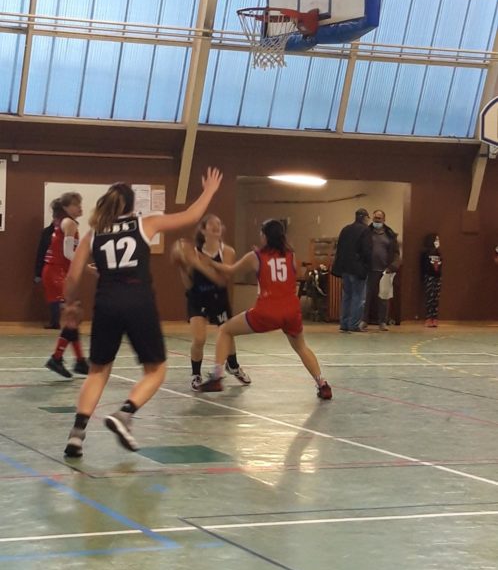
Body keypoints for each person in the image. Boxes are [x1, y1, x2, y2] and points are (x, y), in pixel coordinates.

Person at [62, 168, 222, 459]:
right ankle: (125, 414)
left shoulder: (93, 234)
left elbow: (72, 278)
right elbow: (190, 216)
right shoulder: (145, 223)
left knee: (97, 371)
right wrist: (209, 190)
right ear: (132, 205)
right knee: (156, 369)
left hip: (106, 303)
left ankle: (76, 434)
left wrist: (70, 304)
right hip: (139, 302)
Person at [195, 218, 332, 400]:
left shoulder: (255, 256)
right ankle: (322, 384)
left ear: (265, 236)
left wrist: (210, 262)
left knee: (225, 330)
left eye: (261, 233)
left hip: (267, 310)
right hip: (291, 311)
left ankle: (217, 377)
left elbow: (230, 270)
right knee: (301, 347)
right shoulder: (291, 256)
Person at [176, 213, 251, 390]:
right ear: (203, 230)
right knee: (199, 338)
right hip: (197, 298)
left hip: (218, 298)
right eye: (211, 224)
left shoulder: (227, 252)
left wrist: (202, 263)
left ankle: (233, 366)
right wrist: (182, 266)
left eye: (219, 223)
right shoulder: (193, 253)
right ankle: (196, 374)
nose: (216, 226)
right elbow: (188, 284)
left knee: (228, 334)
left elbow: (223, 280)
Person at [43, 193, 89, 377]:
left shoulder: (64, 222)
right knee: (72, 315)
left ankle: (79, 361)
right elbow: (68, 253)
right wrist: (87, 266)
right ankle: (57, 358)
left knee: (73, 317)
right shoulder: (69, 223)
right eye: (76, 204)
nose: (80, 207)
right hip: (57, 272)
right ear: (66, 207)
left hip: (58, 271)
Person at [331, 208, 371, 332]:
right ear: (365, 218)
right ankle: (354, 324)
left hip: (345, 269)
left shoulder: (345, 229)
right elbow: (367, 251)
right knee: (358, 297)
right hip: (358, 269)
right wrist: (367, 266)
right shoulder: (365, 230)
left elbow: (339, 249)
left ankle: (344, 323)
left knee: (347, 296)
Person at [361, 209, 401, 331]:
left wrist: (392, 267)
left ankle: (382, 322)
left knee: (383, 298)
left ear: (384, 219)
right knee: (367, 297)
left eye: (379, 218)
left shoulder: (390, 235)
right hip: (369, 270)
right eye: (375, 218)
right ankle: (364, 321)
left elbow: (396, 254)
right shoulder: (366, 233)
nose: (376, 220)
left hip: (385, 271)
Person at [34, 209, 58, 327]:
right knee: (53, 295)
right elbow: (41, 252)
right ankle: (55, 321)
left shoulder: (68, 230)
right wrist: (38, 273)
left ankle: (64, 321)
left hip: (62, 267)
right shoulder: (47, 232)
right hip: (50, 267)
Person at [421, 233, 442, 327]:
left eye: (438, 240)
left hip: (437, 277)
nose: (438, 242)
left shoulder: (438, 253)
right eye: (436, 240)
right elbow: (423, 266)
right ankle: (428, 318)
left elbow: (440, 266)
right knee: (430, 298)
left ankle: (435, 318)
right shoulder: (426, 253)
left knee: (436, 299)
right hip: (429, 277)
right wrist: (424, 277)